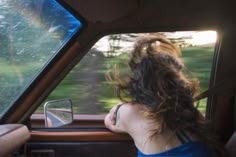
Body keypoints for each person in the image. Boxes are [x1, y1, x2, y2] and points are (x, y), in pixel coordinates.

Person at [104, 35, 226, 157]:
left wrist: (120, 108)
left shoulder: (131, 113)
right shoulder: (193, 115)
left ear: (138, 82)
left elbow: (109, 121)